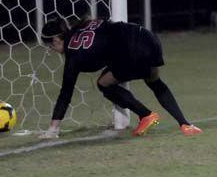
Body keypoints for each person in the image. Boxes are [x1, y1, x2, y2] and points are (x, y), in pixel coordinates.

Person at [38, 17, 203, 138]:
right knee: (154, 81)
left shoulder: (72, 56)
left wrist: (53, 129)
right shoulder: (84, 24)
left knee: (104, 83)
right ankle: (185, 124)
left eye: (50, 45)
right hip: (147, 37)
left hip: (130, 51)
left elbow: (65, 93)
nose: (51, 49)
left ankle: (146, 115)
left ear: (55, 39)